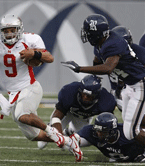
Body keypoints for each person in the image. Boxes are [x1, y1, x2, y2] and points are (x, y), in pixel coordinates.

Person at [0, 14, 83, 161]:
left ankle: (53, 132)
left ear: (19, 29)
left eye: (12, 30)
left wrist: (33, 53)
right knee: (34, 136)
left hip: (30, 87)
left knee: (22, 115)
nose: (9, 33)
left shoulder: (30, 40)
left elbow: (49, 58)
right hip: (13, 93)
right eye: (6, 30)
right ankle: (69, 141)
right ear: (1, 31)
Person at [61, 14, 145, 147]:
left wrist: (80, 68)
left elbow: (108, 68)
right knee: (129, 129)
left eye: (88, 32)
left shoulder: (112, 43)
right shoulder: (101, 43)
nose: (86, 35)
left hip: (140, 85)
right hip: (129, 86)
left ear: (96, 33)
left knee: (132, 131)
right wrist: (94, 78)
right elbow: (97, 60)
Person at [37, 74, 116, 149]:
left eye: (89, 96)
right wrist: (59, 136)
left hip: (83, 118)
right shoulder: (69, 92)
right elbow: (57, 116)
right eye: (83, 94)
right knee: (41, 144)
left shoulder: (106, 101)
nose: (85, 98)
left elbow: (108, 122)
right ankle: (56, 129)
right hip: (67, 113)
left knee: (72, 145)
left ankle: (68, 132)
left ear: (97, 95)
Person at [77, 112, 145, 162]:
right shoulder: (91, 132)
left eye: (104, 131)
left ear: (113, 131)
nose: (99, 134)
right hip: (117, 159)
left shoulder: (126, 133)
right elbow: (74, 139)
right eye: (98, 130)